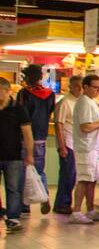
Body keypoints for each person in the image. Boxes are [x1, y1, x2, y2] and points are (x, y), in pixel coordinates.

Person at [15, 64, 55, 216]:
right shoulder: (50, 94)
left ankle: (25, 206)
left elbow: (21, 115)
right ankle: (44, 195)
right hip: (42, 137)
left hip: (26, 137)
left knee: (24, 172)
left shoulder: (24, 93)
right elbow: (51, 112)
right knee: (39, 170)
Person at [70, 73, 99, 224]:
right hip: (85, 148)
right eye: (95, 88)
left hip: (93, 148)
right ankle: (77, 211)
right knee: (84, 179)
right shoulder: (84, 103)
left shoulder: (92, 101)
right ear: (85, 87)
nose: (98, 91)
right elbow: (86, 127)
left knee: (92, 179)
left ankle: (90, 208)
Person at [0, 79, 35, 232]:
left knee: (13, 188)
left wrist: (29, 154)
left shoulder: (18, 109)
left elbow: (27, 132)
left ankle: (13, 217)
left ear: (8, 91)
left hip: (13, 155)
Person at [53, 75, 82, 214]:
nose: (79, 88)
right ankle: (62, 203)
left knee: (72, 175)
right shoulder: (65, 102)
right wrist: (62, 146)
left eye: (81, 85)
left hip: (77, 143)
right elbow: (58, 125)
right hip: (67, 142)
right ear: (70, 86)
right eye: (76, 85)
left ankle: (64, 202)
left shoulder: (80, 102)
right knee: (67, 174)